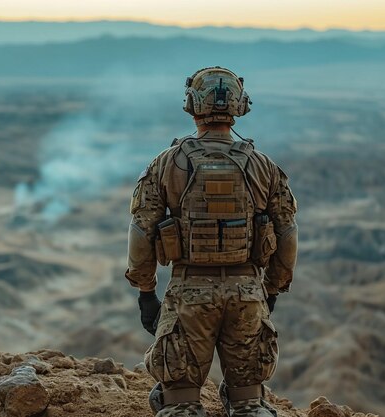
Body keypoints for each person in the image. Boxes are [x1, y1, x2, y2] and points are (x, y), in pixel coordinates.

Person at [125, 67, 298, 417]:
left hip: (188, 295)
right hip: (248, 294)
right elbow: (287, 235)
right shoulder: (263, 166)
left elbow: (142, 232)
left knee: (180, 405)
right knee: (251, 403)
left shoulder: (167, 164)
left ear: (191, 105)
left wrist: (146, 293)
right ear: (240, 106)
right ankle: (246, 402)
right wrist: (272, 290)